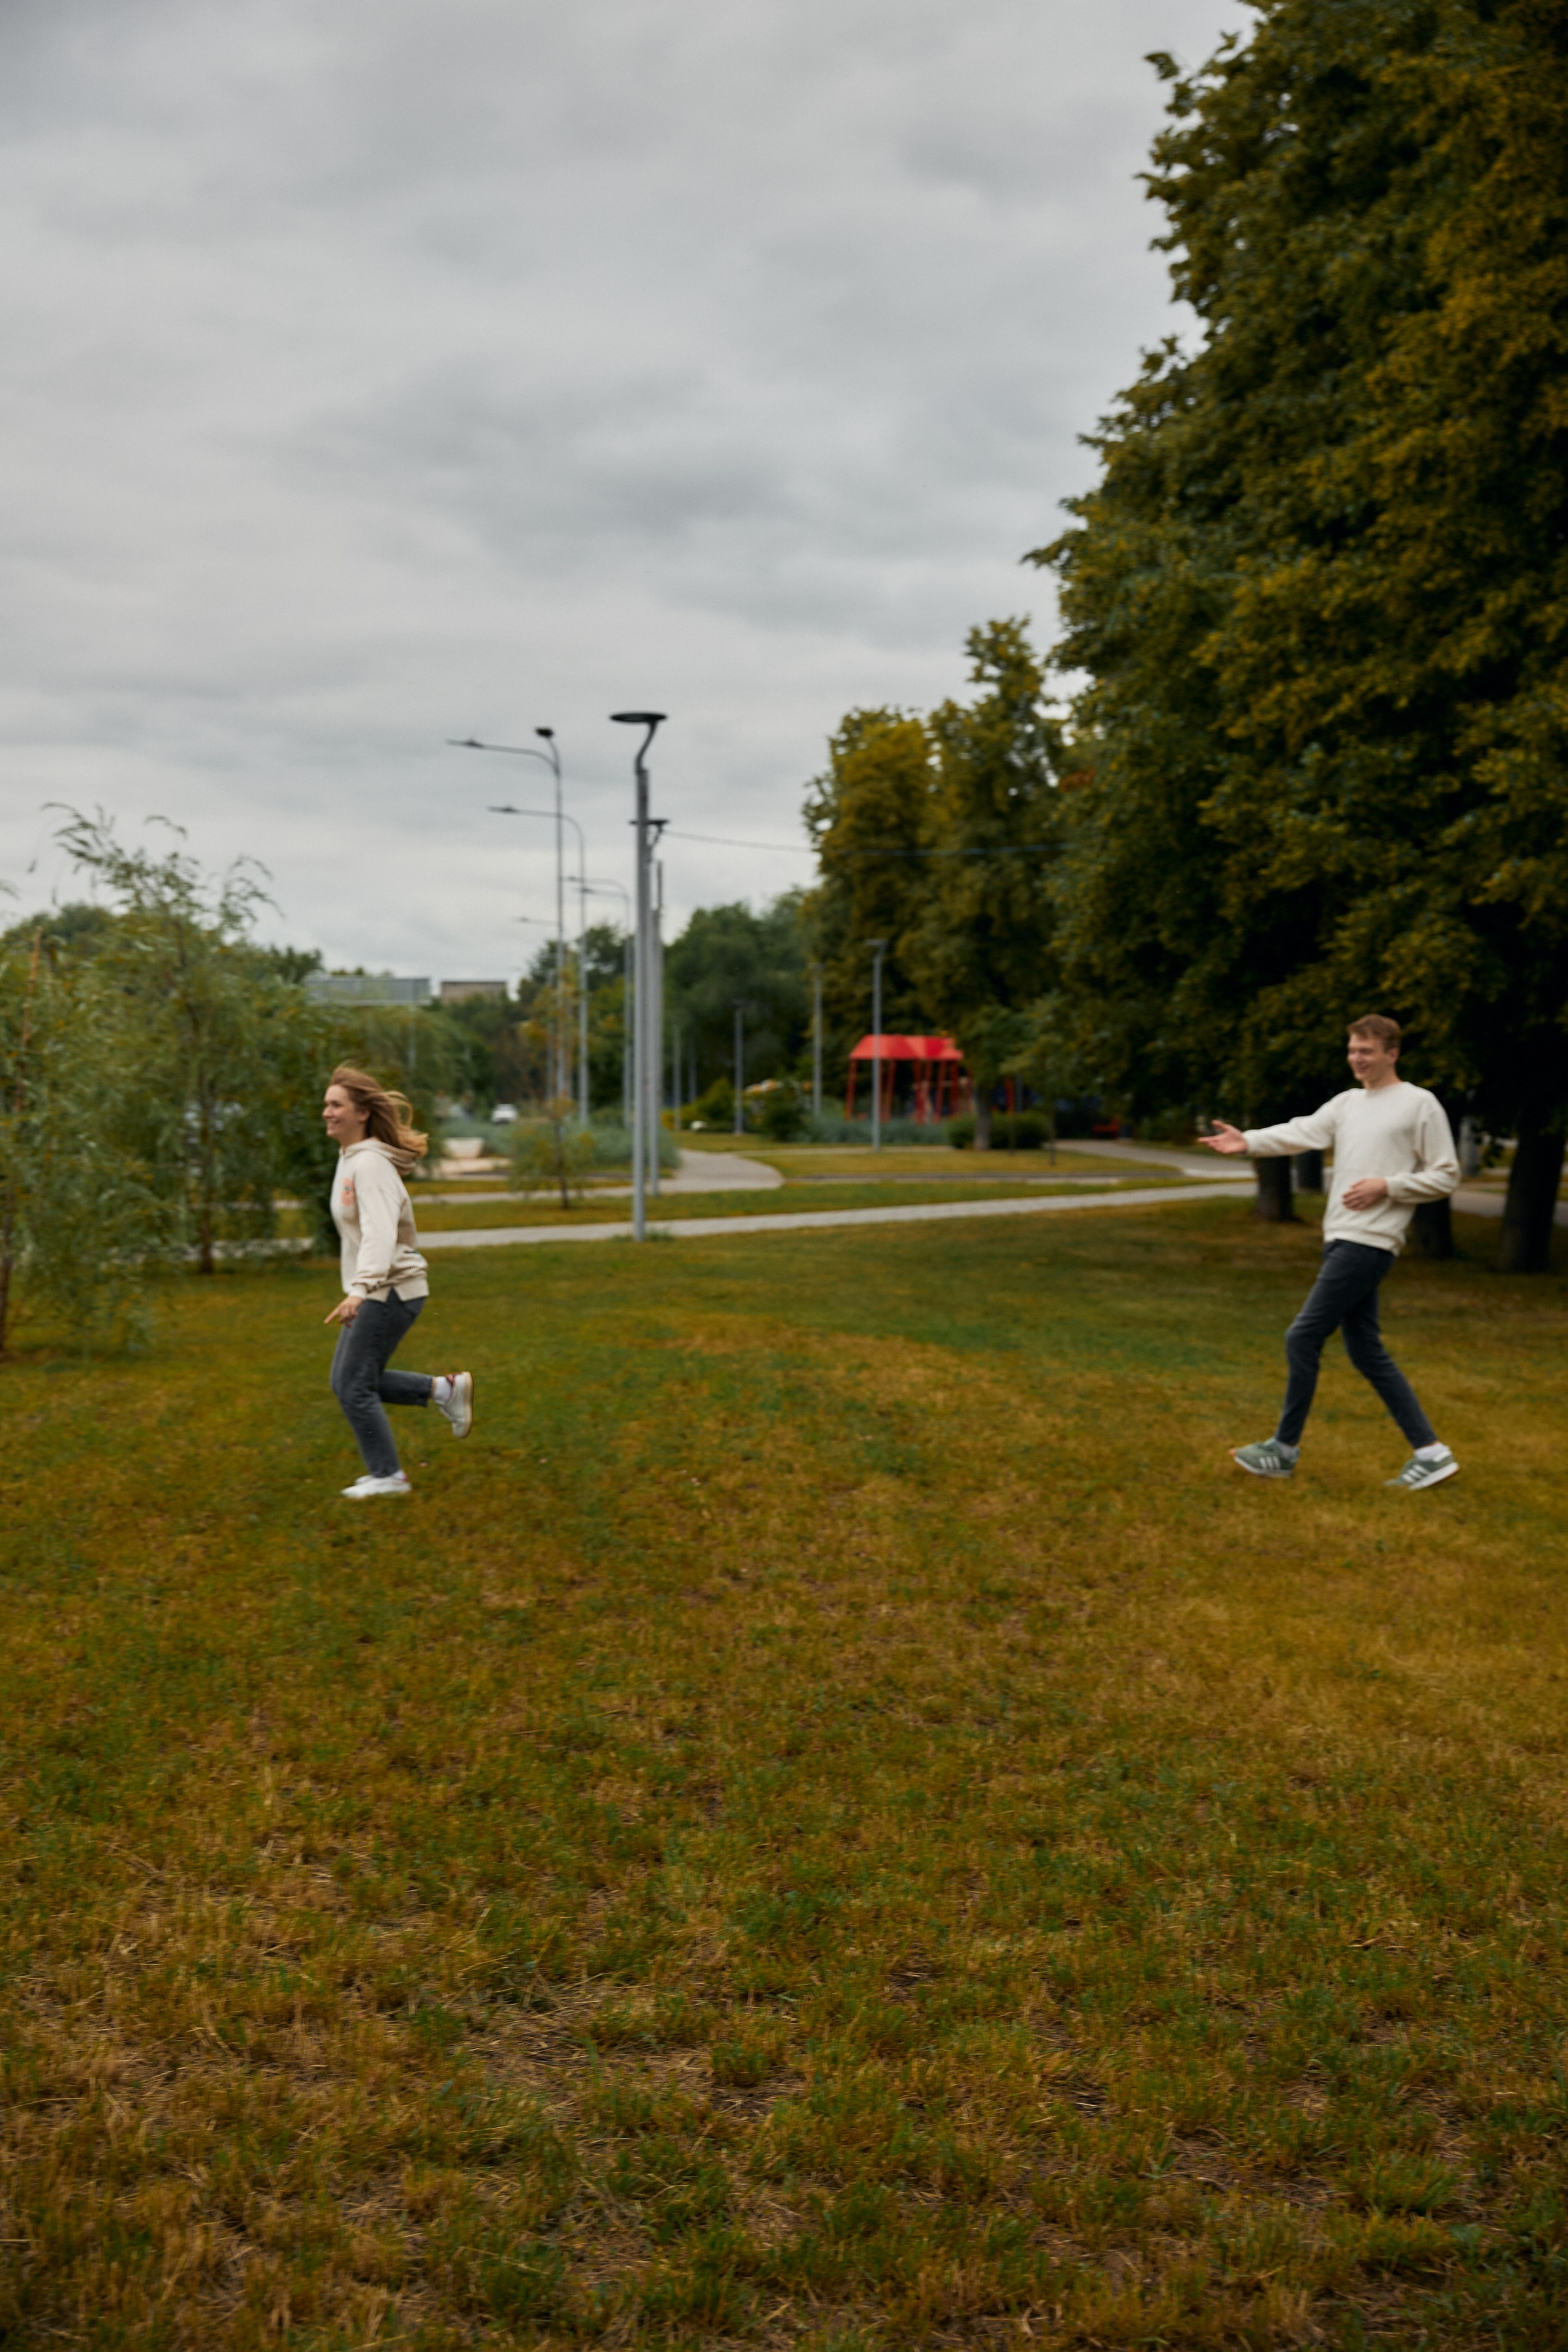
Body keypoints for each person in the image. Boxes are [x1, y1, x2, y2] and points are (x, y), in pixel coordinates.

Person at [1201, 1016, 1460, 1489]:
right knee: (1366, 1351)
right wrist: (1248, 1143)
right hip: (1342, 1238)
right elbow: (1303, 1131)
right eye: (1352, 1049)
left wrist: (1389, 1186)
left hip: (1370, 1242)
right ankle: (1432, 1452)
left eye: (1367, 1050)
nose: (1357, 1058)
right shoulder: (1348, 1104)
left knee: (1302, 1337)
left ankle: (1282, 1450)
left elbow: (1446, 1175)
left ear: (1392, 1053)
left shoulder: (1419, 1104)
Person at [323, 1065, 473, 1499]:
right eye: (327, 1104)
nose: (327, 1113)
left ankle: (389, 1476)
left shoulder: (369, 1165)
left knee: (353, 1385)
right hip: (381, 1289)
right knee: (347, 1382)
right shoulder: (352, 1158)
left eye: (337, 1105)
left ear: (363, 1113)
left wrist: (360, 1289)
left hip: (390, 1291)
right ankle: (443, 1390)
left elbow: (381, 1233)